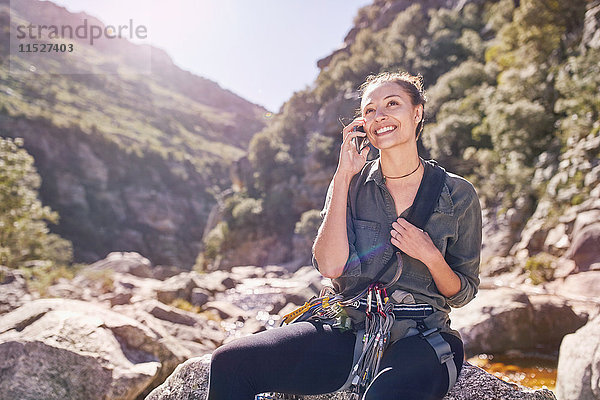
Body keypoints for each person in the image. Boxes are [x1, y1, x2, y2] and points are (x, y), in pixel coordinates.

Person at [207, 71, 482, 400]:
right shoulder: (348, 184)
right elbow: (330, 266)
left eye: (392, 104)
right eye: (369, 110)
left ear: (417, 113)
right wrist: (343, 174)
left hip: (421, 335)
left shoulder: (457, 194)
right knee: (231, 362)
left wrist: (430, 255)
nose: (379, 116)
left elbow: (461, 293)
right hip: (349, 328)